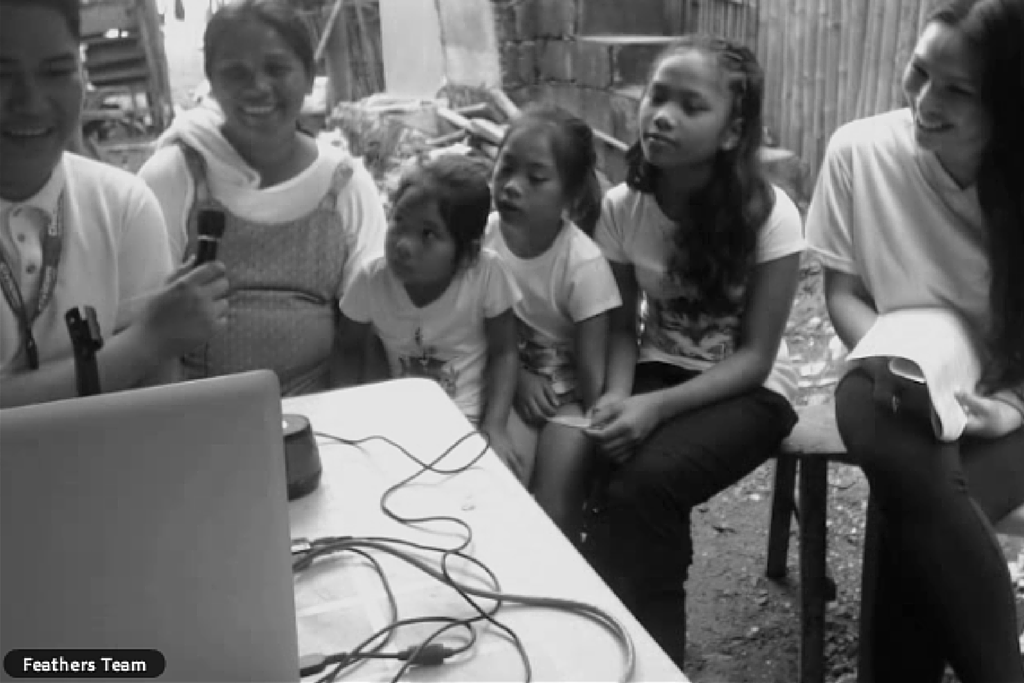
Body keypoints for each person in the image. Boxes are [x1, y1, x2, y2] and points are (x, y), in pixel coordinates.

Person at [806, 0, 1024, 679]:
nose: (925, 101)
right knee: (901, 440)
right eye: (919, 72)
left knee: (912, 520)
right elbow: (842, 292)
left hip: (1008, 403)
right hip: (889, 380)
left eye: (958, 90)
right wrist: (904, 370)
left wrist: (1010, 404)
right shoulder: (860, 150)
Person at [582, 35, 805, 666]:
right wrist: (618, 397)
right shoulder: (624, 208)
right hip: (656, 367)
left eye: (690, 105)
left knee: (645, 485)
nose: (661, 114)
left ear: (732, 131)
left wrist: (652, 411)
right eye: (657, 95)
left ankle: (655, 659)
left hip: (751, 390)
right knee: (592, 458)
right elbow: (624, 327)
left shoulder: (772, 216)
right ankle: (610, 639)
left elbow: (756, 358)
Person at [138, 0, 387, 397]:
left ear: (309, 79)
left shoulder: (344, 186)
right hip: (196, 412)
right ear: (212, 84)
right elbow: (143, 318)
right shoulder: (176, 175)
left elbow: (371, 317)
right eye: (235, 73)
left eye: (277, 69)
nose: (257, 87)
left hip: (320, 410)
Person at [0, 0, 227, 409]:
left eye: (55, 72)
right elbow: (151, 351)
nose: (29, 101)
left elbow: (154, 401)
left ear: (83, 76)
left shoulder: (123, 206)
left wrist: (151, 348)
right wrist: (144, 343)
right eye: (1, 74)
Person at [338, 154, 525, 478]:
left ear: (466, 253)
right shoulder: (371, 279)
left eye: (428, 234)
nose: (403, 245)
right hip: (397, 423)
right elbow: (346, 350)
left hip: (467, 420)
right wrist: (347, 418)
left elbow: (505, 352)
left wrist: (495, 426)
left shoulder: (487, 274)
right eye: (398, 221)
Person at [484, 104, 621, 541]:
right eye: (506, 167)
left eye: (535, 178)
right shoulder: (482, 241)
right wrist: (520, 378)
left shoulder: (582, 265)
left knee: (554, 506)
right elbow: (472, 327)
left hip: (570, 402)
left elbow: (592, 373)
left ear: (571, 195)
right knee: (504, 484)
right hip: (509, 383)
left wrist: (591, 430)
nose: (511, 187)